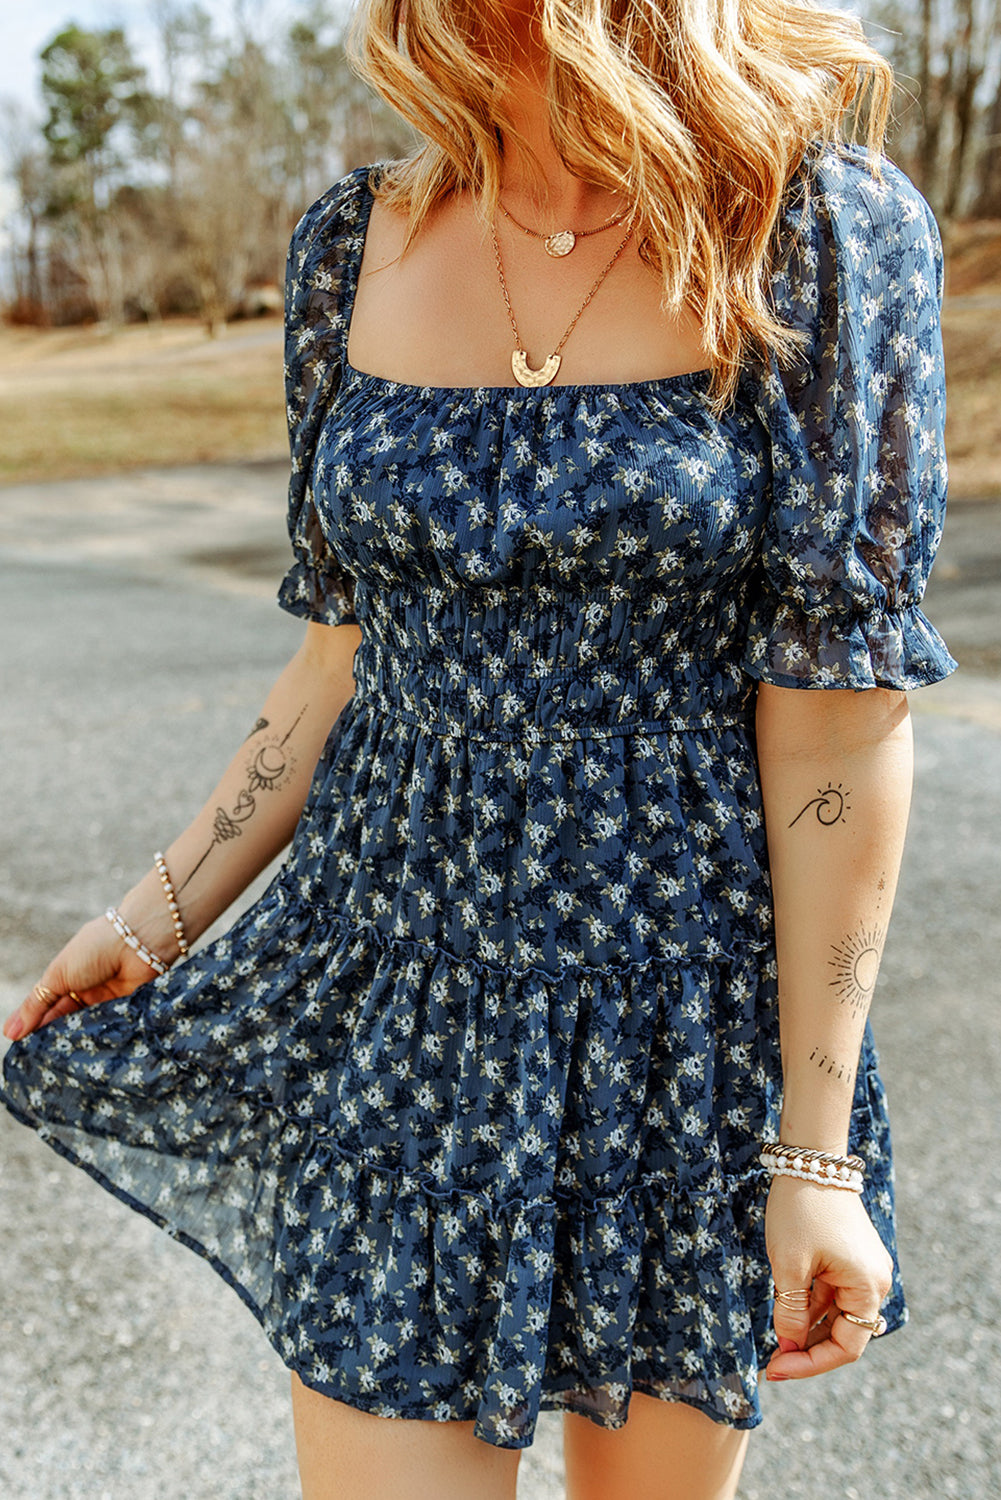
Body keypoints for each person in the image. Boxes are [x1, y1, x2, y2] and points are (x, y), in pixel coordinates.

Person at [0, 0, 957, 1493]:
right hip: (397, 1002)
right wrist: (157, 913)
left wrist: (812, 1156)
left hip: (673, 1030)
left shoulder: (817, 231)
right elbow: (339, 653)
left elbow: (833, 719)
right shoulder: (353, 242)